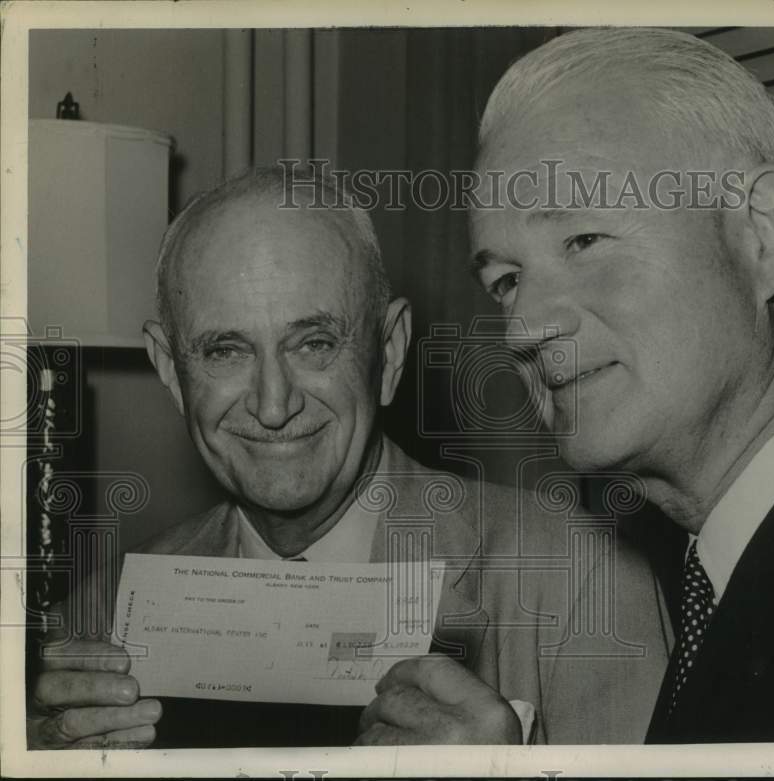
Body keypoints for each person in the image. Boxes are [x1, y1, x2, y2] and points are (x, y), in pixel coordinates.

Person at [26, 166, 667, 749]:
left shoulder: (584, 576)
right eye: (226, 350)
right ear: (170, 370)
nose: (273, 405)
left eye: (314, 344)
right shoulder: (101, 612)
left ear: (388, 354)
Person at [467, 28, 774, 742]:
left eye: (583, 241)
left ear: (762, 234)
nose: (521, 330)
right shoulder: (723, 561)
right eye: (506, 282)